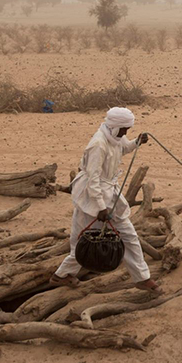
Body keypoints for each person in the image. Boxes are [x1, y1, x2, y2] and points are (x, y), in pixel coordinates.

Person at [50, 107, 162, 294]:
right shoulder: (98, 144)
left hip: (108, 194)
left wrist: (136, 142)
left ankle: (142, 278)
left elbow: (123, 148)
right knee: (84, 241)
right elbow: (93, 179)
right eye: (124, 129)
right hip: (93, 197)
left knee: (126, 236)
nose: (126, 133)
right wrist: (100, 208)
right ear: (115, 126)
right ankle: (61, 276)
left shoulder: (114, 136)